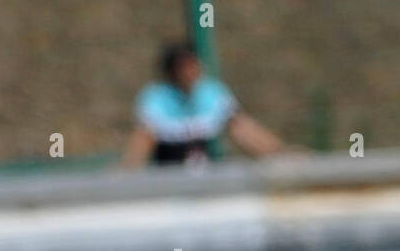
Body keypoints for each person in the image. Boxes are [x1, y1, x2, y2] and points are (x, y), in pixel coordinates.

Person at [120, 41, 290, 167]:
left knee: (240, 126)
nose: (189, 73)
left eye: (192, 66)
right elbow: (143, 138)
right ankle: (122, 181)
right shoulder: (155, 98)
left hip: (209, 172)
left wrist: (277, 151)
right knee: (143, 136)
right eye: (183, 68)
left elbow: (241, 128)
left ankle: (284, 157)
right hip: (170, 175)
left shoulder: (212, 93)